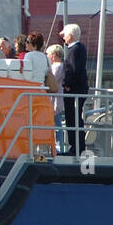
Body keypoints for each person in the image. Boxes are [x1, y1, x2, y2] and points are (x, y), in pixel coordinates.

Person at [61, 23, 89, 154]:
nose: (64, 38)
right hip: (79, 88)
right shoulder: (79, 48)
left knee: (73, 117)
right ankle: (78, 146)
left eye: (65, 35)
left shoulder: (74, 49)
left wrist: (67, 84)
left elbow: (73, 69)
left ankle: (76, 147)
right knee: (75, 117)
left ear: (70, 36)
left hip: (74, 90)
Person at [46, 44, 67, 153]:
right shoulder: (58, 66)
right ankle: (57, 147)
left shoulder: (57, 66)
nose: (47, 56)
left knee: (57, 123)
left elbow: (52, 80)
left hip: (55, 99)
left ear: (53, 54)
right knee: (55, 122)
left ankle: (59, 147)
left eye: (48, 54)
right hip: (54, 98)